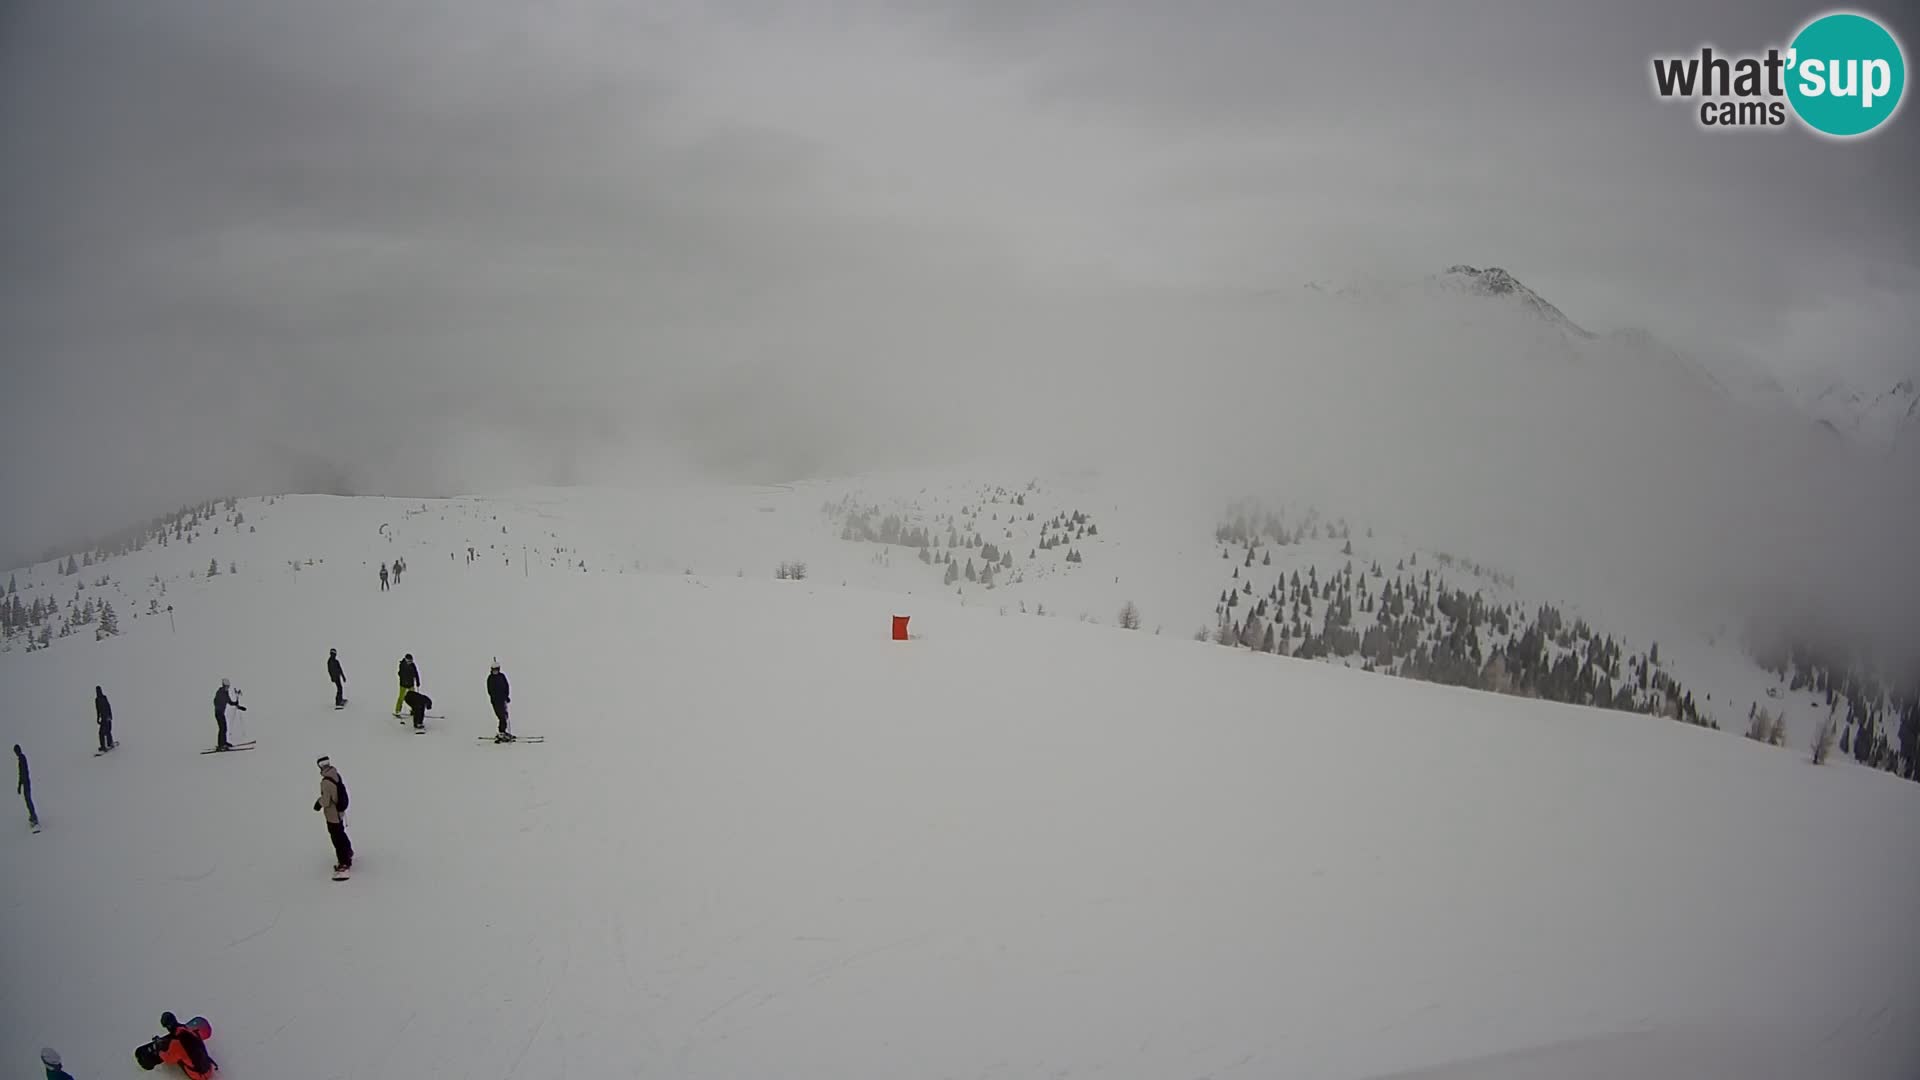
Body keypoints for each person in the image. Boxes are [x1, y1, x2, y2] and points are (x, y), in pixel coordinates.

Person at [146, 1012, 216, 1079]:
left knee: (178, 1057)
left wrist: (159, 1050)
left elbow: (168, 1059)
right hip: (209, 1068)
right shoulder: (191, 1031)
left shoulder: (176, 1044)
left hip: (199, 1076)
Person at [313, 756, 352, 873]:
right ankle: (348, 852)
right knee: (341, 834)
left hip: (332, 815)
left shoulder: (325, 782)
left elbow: (326, 801)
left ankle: (344, 862)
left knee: (337, 838)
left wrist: (318, 803)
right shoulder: (335, 775)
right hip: (340, 812)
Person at [212, 680, 245, 751]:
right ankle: (221, 745)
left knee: (225, 728)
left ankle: (224, 742)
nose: (228, 688)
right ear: (223, 686)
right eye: (227, 686)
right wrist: (219, 706)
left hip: (221, 713)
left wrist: (235, 703)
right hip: (218, 713)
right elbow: (215, 701)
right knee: (222, 728)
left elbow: (229, 702)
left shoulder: (225, 693)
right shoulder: (220, 692)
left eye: (228, 687)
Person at [487, 660, 513, 741]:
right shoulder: (490, 679)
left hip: (503, 700)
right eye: (494, 670)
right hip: (496, 701)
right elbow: (490, 691)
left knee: (505, 716)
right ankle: (501, 732)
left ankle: (503, 731)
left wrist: (506, 696)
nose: (495, 671)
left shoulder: (502, 676)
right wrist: (496, 698)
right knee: (501, 716)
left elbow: (506, 686)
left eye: (496, 670)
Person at [15, 744, 36, 829]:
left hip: (26, 782)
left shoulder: (22, 758)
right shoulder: (21, 759)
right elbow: (21, 773)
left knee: (28, 800)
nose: (16, 753)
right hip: (25, 782)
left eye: (16, 751)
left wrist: (21, 784)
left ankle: (34, 817)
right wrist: (20, 785)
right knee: (27, 800)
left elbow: (23, 772)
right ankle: (32, 816)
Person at [393, 653, 421, 718]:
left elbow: (416, 673)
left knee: (413, 698)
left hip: (411, 684)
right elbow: (400, 674)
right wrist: (404, 681)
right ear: (406, 660)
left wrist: (418, 682)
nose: (410, 662)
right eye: (408, 661)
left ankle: (413, 710)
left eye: (411, 661)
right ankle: (397, 711)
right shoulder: (402, 665)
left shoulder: (413, 665)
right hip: (403, 685)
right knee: (401, 698)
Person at [96, 685, 116, 752]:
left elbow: (108, 707)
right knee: (102, 732)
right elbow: (98, 710)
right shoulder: (97, 700)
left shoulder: (104, 698)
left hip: (106, 717)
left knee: (106, 731)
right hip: (103, 718)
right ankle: (104, 745)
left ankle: (109, 743)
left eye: (99, 690)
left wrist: (110, 716)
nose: (98, 692)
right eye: (97, 691)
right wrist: (98, 718)